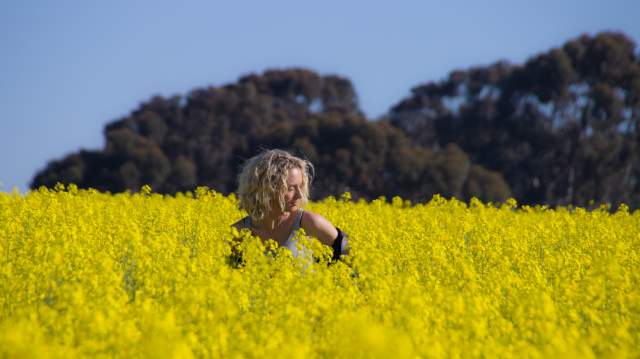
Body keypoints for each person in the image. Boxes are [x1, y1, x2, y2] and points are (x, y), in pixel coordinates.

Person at [231, 149, 348, 261]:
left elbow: (353, 261)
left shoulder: (310, 224)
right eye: (291, 188)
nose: (300, 195)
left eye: (300, 186)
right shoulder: (237, 234)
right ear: (267, 189)